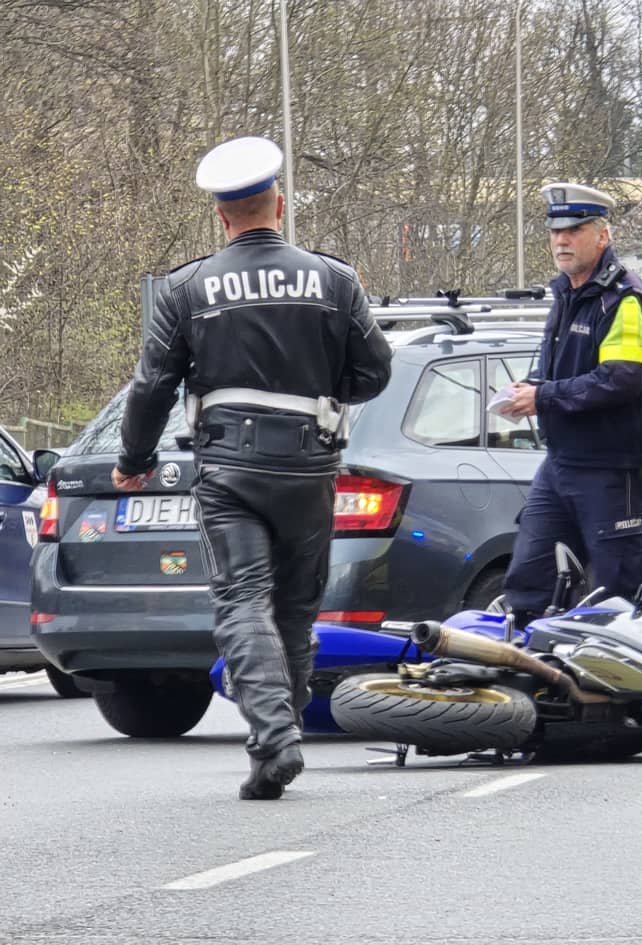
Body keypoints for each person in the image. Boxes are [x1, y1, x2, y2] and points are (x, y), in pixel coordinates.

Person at [112, 136, 392, 800]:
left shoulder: (187, 288)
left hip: (230, 469)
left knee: (242, 598)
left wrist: (134, 460)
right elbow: (375, 371)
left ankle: (274, 738)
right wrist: (324, 391)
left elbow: (152, 386)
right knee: (293, 609)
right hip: (308, 465)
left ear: (221, 215)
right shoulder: (333, 279)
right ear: (280, 204)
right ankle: (278, 741)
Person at [500, 183, 642, 624]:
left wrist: (544, 396)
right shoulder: (567, 294)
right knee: (528, 584)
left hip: (611, 470)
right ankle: (530, 664)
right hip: (560, 465)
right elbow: (566, 372)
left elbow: (622, 379)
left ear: (602, 236)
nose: (561, 240)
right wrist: (530, 389)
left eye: (574, 230)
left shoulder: (623, 298)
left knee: (622, 600)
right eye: (555, 232)